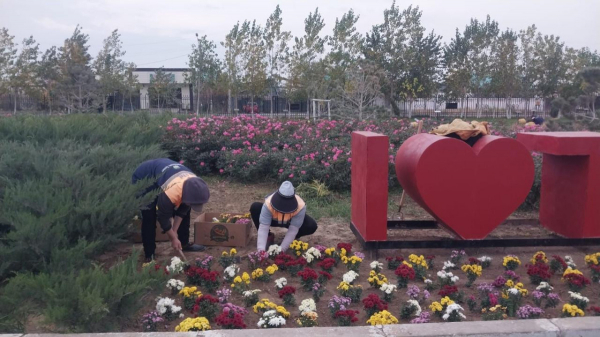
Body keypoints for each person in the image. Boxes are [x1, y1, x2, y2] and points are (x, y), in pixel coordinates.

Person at [132, 158, 209, 261]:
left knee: (186, 209)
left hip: (165, 174)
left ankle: (184, 243)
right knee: (149, 214)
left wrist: (174, 231)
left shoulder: (194, 185)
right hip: (145, 176)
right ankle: (149, 253)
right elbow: (163, 217)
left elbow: (183, 211)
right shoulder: (172, 192)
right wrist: (173, 237)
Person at [250, 181, 318, 251]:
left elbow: (293, 229)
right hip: (273, 220)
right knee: (255, 207)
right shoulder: (268, 203)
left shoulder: (300, 206)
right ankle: (268, 236)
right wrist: (261, 251)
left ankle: (292, 238)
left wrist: (281, 250)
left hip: (289, 222)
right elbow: (263, 227)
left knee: (311, 225)